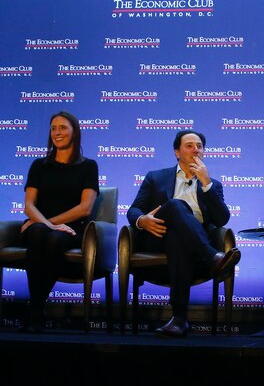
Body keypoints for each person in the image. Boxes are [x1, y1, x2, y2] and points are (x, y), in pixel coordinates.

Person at [126, 130, 241, 338]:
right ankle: (212, 257)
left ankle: (179, 319)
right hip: (157, 237)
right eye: (189, 145)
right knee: (176, 205)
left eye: (199, 146)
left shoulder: (212, 184)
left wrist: (206, 184)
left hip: (187, 244)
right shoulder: (155, 177)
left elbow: (222, 219)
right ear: (177, 152)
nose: (195, 149)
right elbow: (133, 210)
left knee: (178, 237)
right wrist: (142, 220)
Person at [18, 110, 99, 333]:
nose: (57, 132)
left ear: (75, 132)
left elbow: (85, 208)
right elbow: (29, 205)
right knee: (38, 234)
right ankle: (37, 311)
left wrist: (48, 223)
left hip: (72, 229)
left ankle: (34, 309)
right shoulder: (39, 165)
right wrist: (45, 224)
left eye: (63, 127)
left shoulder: (88, 166)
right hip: (37, 226)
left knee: (53, 237)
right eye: (53, 128)